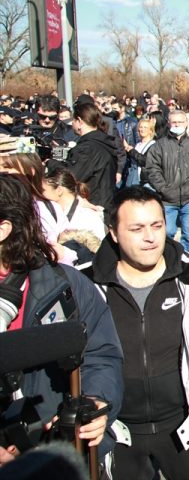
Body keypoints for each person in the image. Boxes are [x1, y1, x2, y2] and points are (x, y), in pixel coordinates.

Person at [83, 187, 189, 478]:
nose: (150, 237)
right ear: (113, 232)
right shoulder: (87, 285)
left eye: (157, 226)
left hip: (183, 429)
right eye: (136, 228)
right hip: (118, 430)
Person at [0, 174, 123, 466]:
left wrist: (96, 401)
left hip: (54, 454)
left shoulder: (64, 285)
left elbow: (101, 353)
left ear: (3, 228)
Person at [143, 110, 189, 254]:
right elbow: (151, 168)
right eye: (174, 122)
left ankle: (187, 263)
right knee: (167, 234)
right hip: (167, 199)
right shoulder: (159, 146)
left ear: (186, 123)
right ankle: (168, 259)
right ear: (168, 123)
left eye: (180, 122)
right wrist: (162, 187)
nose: (177, 125)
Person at [66, 102, 119, 213]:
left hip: (93, 207)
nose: (72, 124)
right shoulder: (103, 142)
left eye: (74, 120)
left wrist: (51, 164)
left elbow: (71, 177)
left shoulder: (87, 148)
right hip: (106, 203)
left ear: (79, 121)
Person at [122, 118, 156, 188]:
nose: (142, 129)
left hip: (145, 181)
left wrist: (131, 151)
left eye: (145, 127)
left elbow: (145, 161)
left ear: (150, 131)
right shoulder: (137, 144)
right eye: (141, 127)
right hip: (133, 177)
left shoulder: (154, 145)